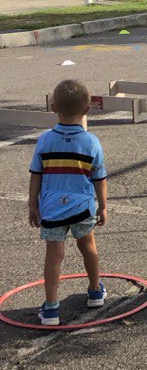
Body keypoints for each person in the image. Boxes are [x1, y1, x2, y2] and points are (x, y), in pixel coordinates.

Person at [28, 79, 108, 327]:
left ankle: (51, 309)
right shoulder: (92, 142)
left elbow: (36, 175)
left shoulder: (44, 140)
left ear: (53, 107)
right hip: (82, 206)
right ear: (87, 110)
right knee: (88, 246)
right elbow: (99, 178)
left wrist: (33, 205)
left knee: (54, 256)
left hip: (52, 207)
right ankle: (95, 291)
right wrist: (103, 206)